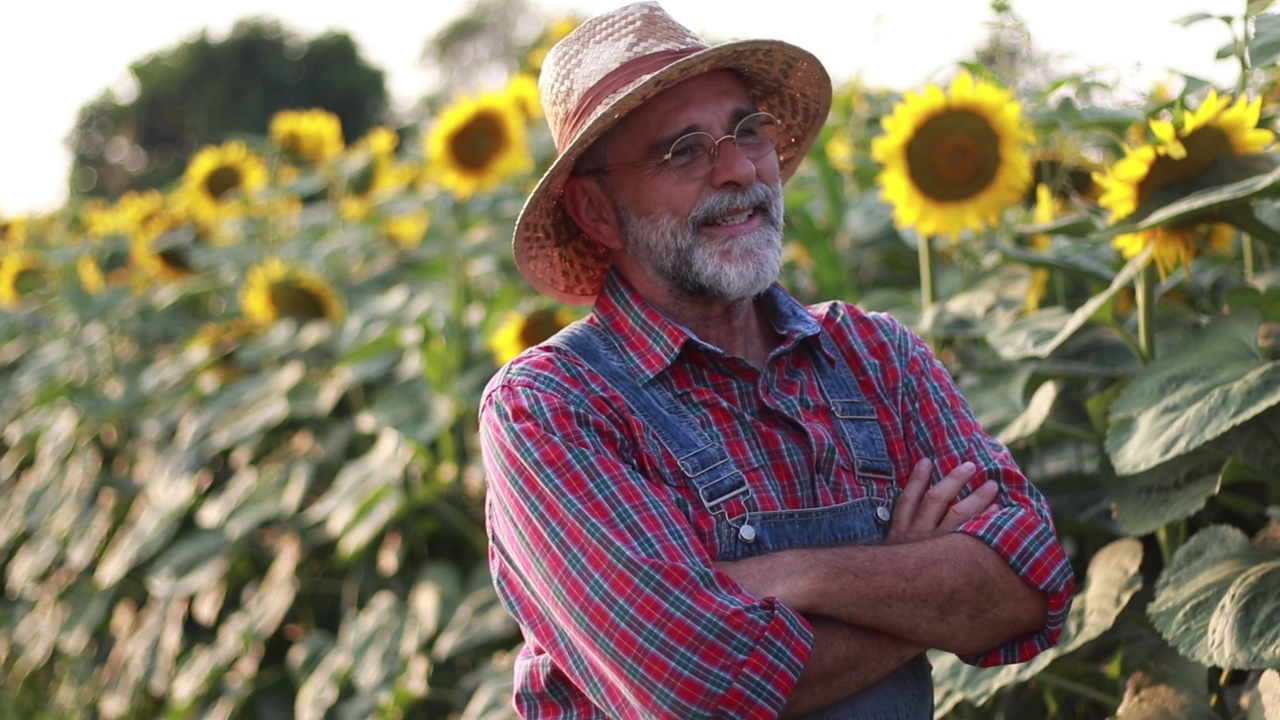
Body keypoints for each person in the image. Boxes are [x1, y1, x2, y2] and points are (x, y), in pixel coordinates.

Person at [478, 2, 1076, 717]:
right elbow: (697, 690)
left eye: (746, 130)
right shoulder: (551, 407)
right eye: (683, 150)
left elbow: (1028, 582)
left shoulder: (873, 354)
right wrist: (918, 585)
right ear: (596, 212)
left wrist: (790, 576)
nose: (737, 169)